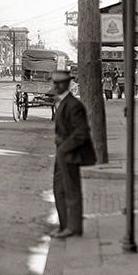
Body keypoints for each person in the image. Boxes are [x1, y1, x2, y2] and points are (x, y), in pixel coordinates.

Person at [49, 69, 96, 238]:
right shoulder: (63, 102)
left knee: (70, 190)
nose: (54, 86)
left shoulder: (73, 105)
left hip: (70, 153)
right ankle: (65, 226)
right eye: (54, 83)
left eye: (57, 83)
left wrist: (63, 147)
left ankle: (72, 227)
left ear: (65, 84)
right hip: (63, 153)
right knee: (60, 189)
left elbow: (81, 132)